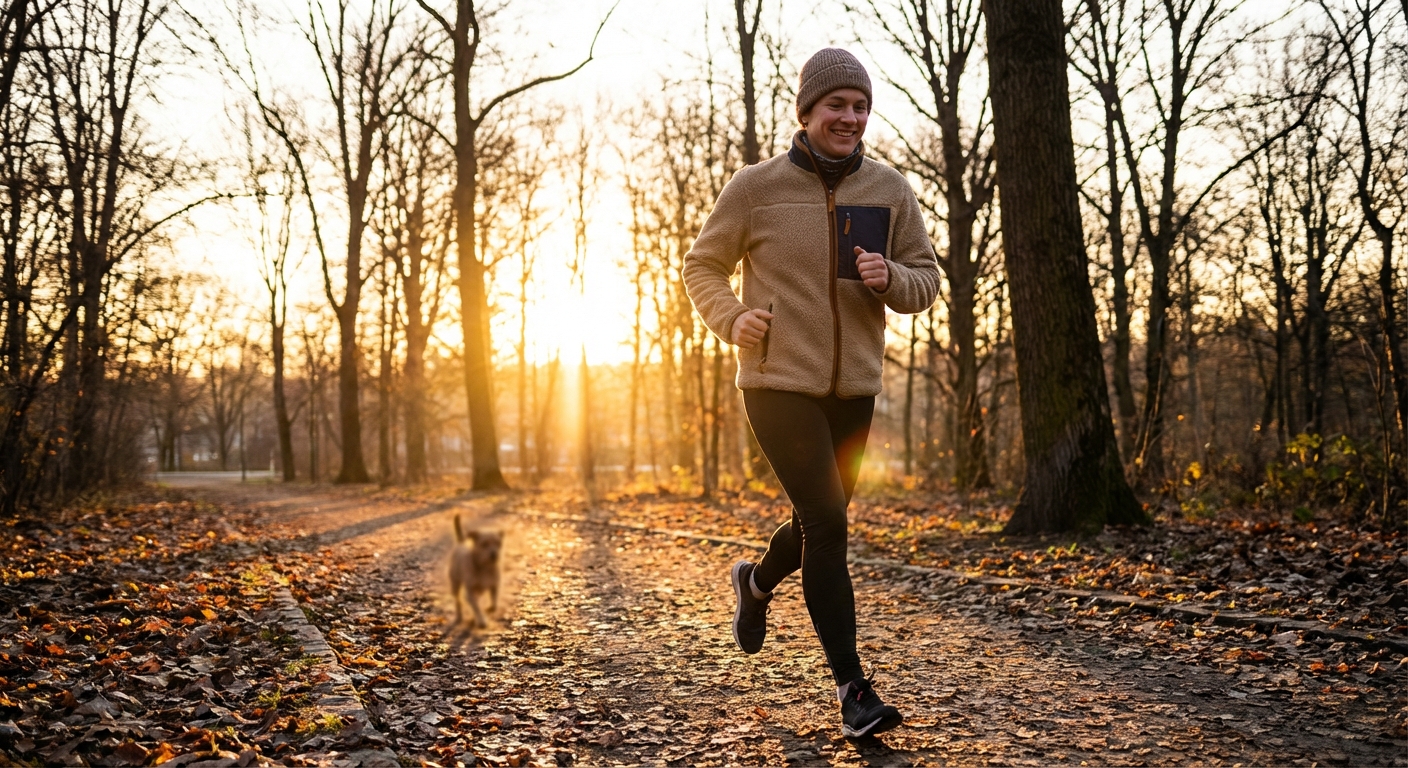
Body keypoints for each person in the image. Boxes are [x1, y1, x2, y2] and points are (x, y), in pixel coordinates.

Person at [682, 47, 940, 738]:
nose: (850, 118)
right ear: (807, 112)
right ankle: (854, 691)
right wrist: (734, 318)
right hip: (776, 382)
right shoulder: (754, 187)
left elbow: (926, 277)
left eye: (860, 107)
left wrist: (893, 281)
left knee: (814, 524)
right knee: (828, 523)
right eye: (837, 106)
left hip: (854, 386)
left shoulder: (889, 189)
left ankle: (756, 582)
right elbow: (702, 264)